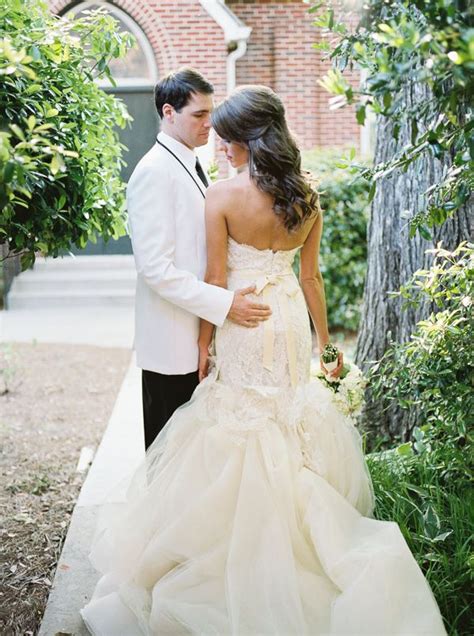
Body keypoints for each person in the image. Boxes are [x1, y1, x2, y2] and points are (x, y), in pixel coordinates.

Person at [81, 86, 447, 635]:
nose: (219, 143)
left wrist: (204, 343)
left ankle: (239, 554)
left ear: (249, 138)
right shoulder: (308, 198)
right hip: (288, 321)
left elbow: (214, 279)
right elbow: (311, 278)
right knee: (288, 417)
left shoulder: (223, 197)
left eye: (226, 135)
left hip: (242, 322)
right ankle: (301, 546)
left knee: (235, 419)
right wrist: (326, 345)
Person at [126, 68, 271, 450]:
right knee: (167, 458)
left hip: (198, 335)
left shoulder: (189, 162)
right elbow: (155, 268)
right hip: (172, 342)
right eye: (199, 115)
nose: (211, 124)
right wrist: (225, 304)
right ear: (169, 113)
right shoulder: (153, 172)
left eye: (211, 112)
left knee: (195, 461)